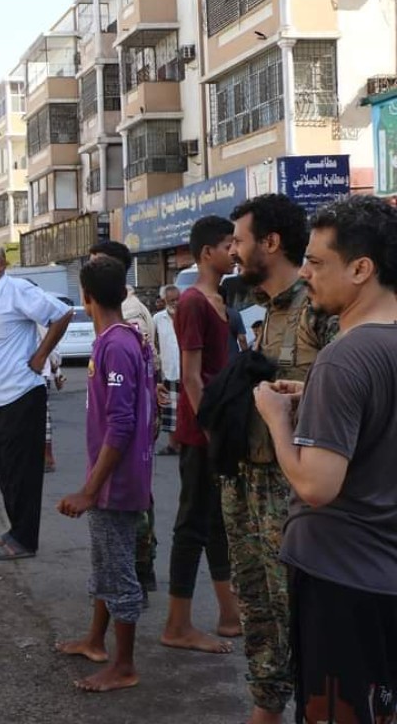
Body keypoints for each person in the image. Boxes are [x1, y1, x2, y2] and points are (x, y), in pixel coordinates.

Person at [254, 196, 397, 724]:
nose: (306, 273)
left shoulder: (345, 355)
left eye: (317, 263)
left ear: (362, 269)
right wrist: (314, 394)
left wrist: (276, 417)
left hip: (343, 579)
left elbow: (316, 486)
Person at [225, 193, 337, 724]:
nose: (233, 252)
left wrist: (294, 395)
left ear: (270, 243)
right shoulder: (264, 313)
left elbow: (351, 389)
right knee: (257, 607)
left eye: (240, 241)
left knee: (300, 613)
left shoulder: (319, 309)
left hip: (291, 491)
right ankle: (266, 708)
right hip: (248, 481)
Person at [56, 255, 155, 693]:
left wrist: (89, 490)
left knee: (119, 574)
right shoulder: (123, 338)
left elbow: (122, 424)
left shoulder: (116, 344)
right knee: (105, 565)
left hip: (115, 484)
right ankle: (95, 641)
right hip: (119, 477)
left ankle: (125, 665)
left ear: (87, 297)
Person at [163, 215, 241, 653]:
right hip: (200, 435)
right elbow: (191, 378)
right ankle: (178, 625)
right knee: (192, 525)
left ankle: (229, 615)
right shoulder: (193, 302)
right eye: (229, 243)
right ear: (208, 251)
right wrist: (212, 432)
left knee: (216, 525)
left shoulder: (220, 298)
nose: (235, 250)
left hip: (217, 429)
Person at [0, 241, 72, 561]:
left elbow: (62, 314)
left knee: (23, 473)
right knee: (5, 470)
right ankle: (15, 531)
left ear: (2, 264)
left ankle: (25, 540)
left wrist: (41, 355)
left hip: (21, 396)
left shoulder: (18, 290)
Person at [90, 240, 159, 600]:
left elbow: (122, 419)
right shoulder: (114, 332)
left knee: (128, 530)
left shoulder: (123, 328)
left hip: (122, 457)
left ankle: (137, 579)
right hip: (121, 444)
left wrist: (90, 488)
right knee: (109, 552)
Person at [153, 285, 181, 456]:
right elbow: (152, 345)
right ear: (164, 301)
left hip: (188, 371)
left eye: (178, 299)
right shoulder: (157, 319)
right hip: (168, 370)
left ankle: (187, 445)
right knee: (170, 411)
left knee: (189, 411)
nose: (176, 303)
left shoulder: (187, 316)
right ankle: (172, 445)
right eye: (172, 300)